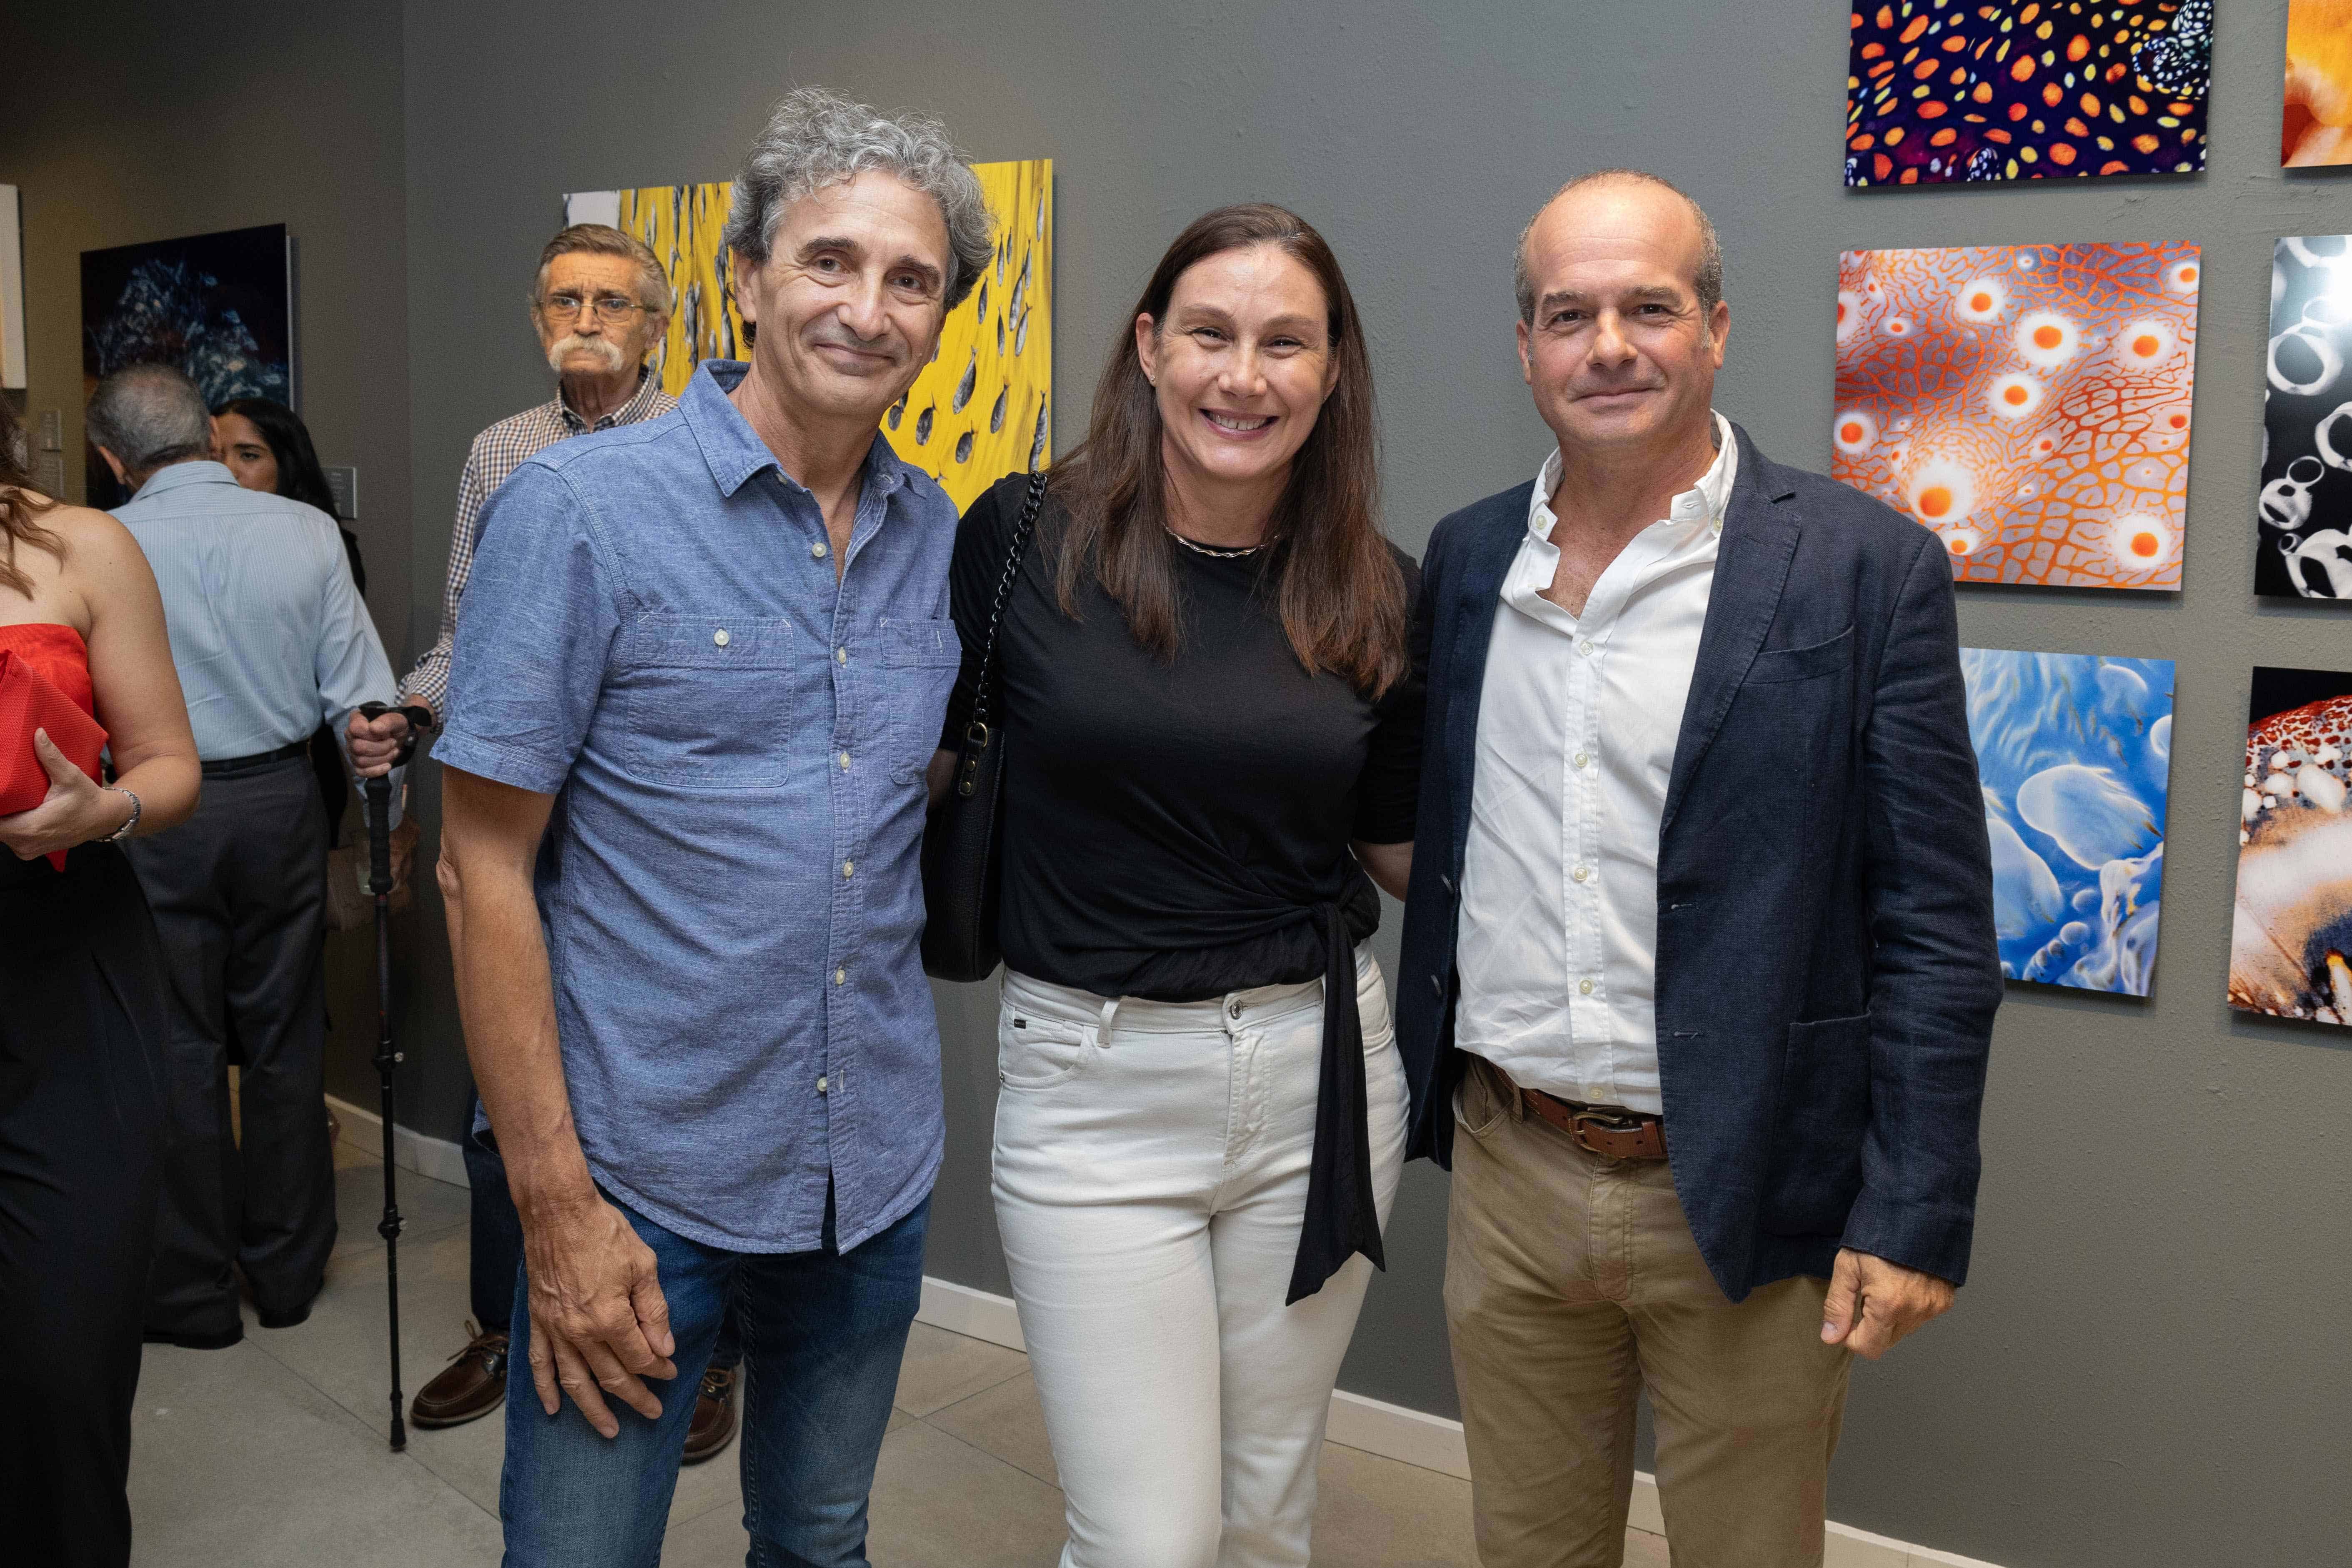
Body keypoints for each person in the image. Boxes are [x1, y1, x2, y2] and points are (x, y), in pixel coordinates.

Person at [1393, 169, 2002, 1568]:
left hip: (1745, 1183)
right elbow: (1432, 818)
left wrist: (1911, 1207)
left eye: (1647, 307)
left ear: (1715, 329)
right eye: (1568, 314)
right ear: (1527, 348)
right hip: (1511, 1167)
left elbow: (1932, 923)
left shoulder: (1863, 568)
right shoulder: (1469, 556)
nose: (1607, 346)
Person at [431, 86, 993, 1566]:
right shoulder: (578, 510)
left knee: (819, 1540)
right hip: (636, 1185)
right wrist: (554, 1209)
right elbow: (477, 863)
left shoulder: (937, 534)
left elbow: (877, 795)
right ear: (747, 278)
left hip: (861, 1174)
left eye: (910, 279)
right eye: (829, 261)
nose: (866, 309)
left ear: (940, 318)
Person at [941, 203, 1420, 1568]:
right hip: (1089, 1088)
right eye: (1209, 333)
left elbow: (1396, 849)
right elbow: (914, 763)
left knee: (1266, 1510)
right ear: (1149, 346)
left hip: (1319, 1078)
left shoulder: (1378, 590)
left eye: (1285, 343)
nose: (1241, 375)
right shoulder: (1023, 540)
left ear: (1331, 374)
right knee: (1147, 1540)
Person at [343, 224, 744, 1455]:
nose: (587, 318)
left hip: (652, 829)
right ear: (537, 317)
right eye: (565, 298)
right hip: (518, 816)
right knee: (497, 1098)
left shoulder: (703, 448)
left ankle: (705, 1355)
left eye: (612, 301)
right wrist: (410, 711)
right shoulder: (499, 456)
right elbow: (481, 634)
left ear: (654, 325)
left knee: (679, 1096)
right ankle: (508, 1330)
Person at [90, 363, 403, 1346]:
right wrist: (377, 829)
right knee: (283, 1043)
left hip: (153, 811)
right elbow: (365, 701)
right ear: (202, 434)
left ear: (111, 457)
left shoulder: (102, 541)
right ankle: (288, 1273)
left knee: (175, 1046)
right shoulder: (308, 531)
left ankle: (188, 1289)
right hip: (279, 805)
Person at [0, 393, 201, 1567]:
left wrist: (106, 806)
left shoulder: (84, 543)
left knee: (64, 1357)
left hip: (62, 968)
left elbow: (172, 765)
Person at [212, 396, 367, 849]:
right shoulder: (195, 548)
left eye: (249, 455)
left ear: (288, 465)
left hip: (298, 771)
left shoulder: (328, 545)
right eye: (217, 455)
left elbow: (338, 674)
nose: (229, 471)